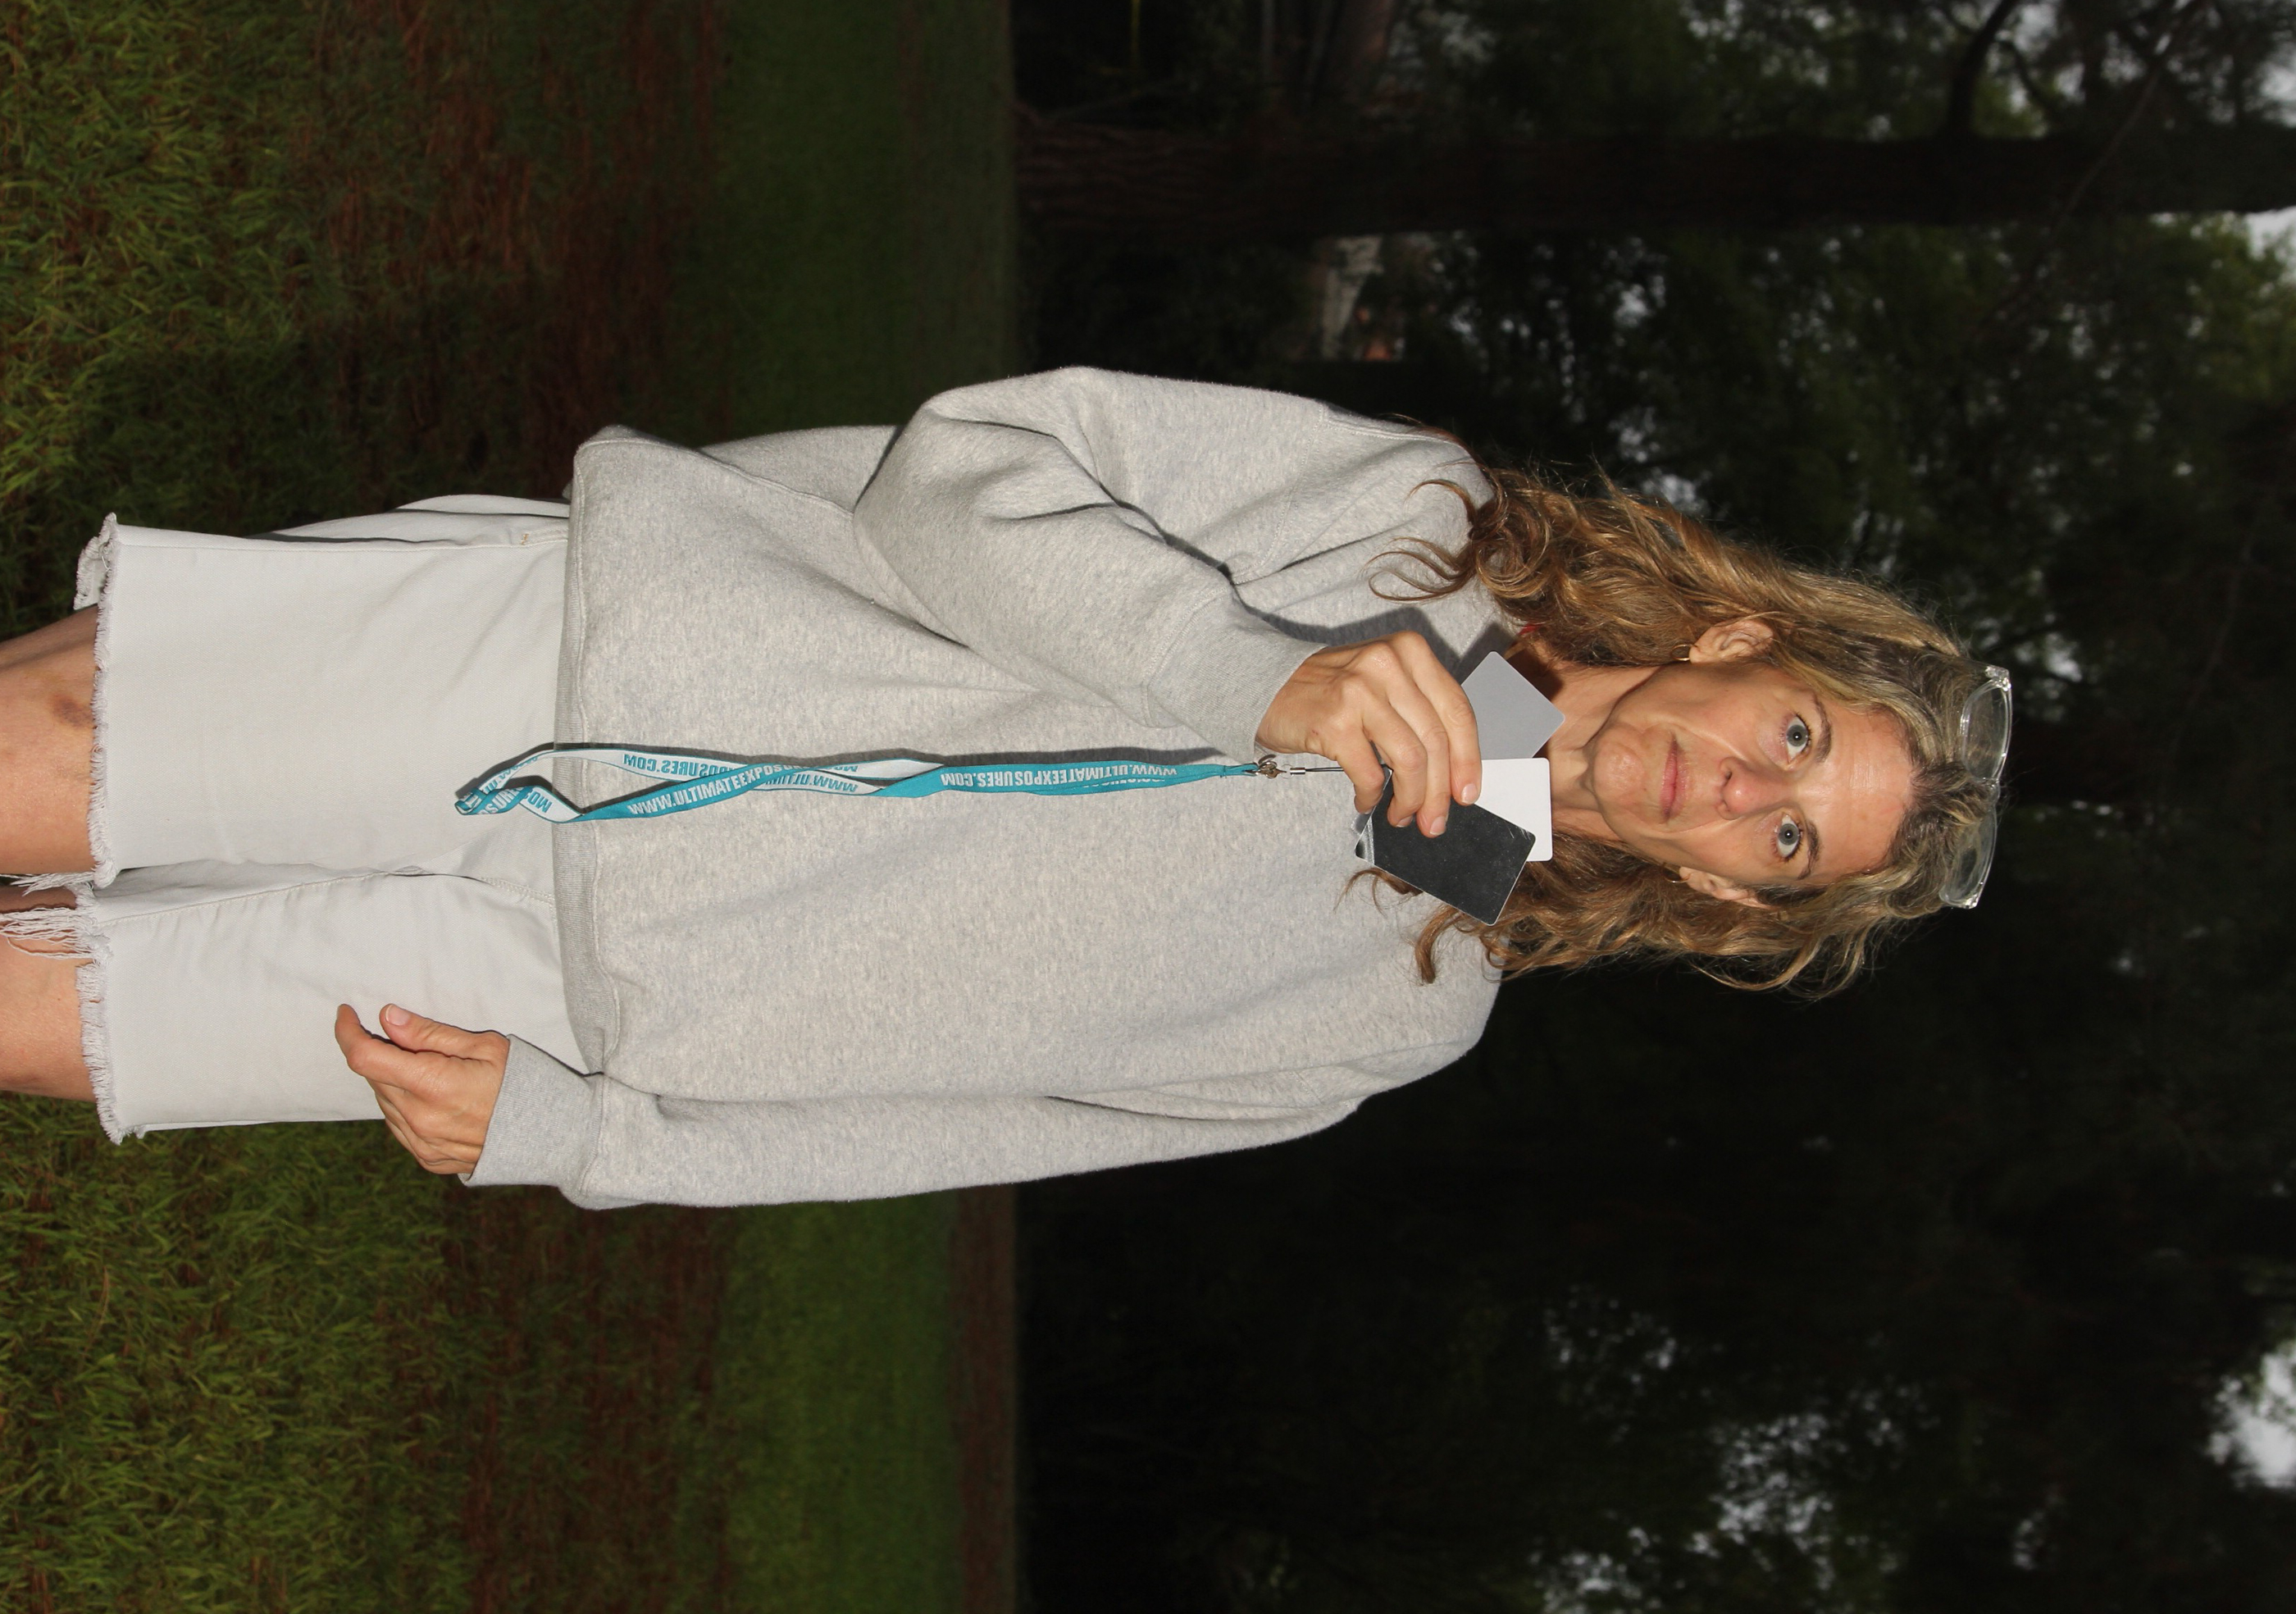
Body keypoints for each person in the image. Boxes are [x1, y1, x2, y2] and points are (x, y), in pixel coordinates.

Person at [0, 369, 2006, 1208]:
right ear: (1745, 640)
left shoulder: (1394, 1013)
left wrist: (587, 1134)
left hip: (557, 1000)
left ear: (1730, 898)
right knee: (58, 755)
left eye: (1782, 835)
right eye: (1795, 735)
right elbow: (964, 465)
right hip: (577, 648)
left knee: (58, 1015)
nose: (1734, 784)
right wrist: (1259, 673)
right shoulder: (1410, 528)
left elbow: (965, 1132)